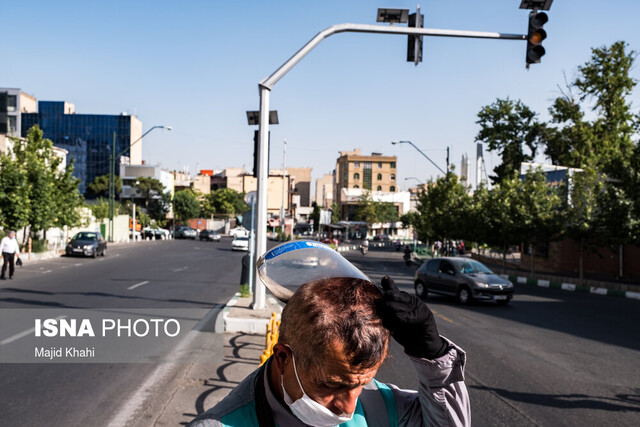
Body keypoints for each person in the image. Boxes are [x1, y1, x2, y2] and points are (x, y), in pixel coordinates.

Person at [188, 276, 470, 426]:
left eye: (361, 384)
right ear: (284, 358)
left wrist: (434, 356)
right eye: (332, 385)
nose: (348, 408)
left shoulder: (382, 407)